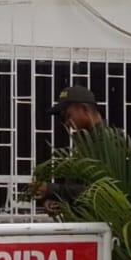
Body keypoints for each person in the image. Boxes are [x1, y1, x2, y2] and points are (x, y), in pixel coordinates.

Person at [33, 85, 106, 214]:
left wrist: (52, 190)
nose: (66, 123)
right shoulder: (85, 143)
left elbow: (102, 192)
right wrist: (59, 202)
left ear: (84, 109)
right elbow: (80, 192)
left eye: (67, 116)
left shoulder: (109, 144)